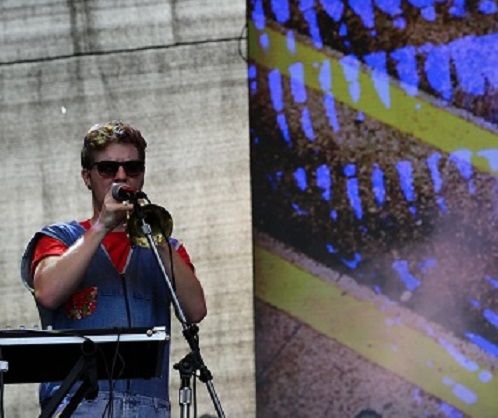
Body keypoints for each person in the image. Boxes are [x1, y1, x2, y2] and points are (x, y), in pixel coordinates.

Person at [21, 120, 207, 417]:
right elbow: (48, 293)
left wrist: (155, 237)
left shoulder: (167, 247)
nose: (122, 177)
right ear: (87, 177)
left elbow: (195, 310)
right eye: (108, 169)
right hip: (78, 406)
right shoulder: (59, 238)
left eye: (132, 168)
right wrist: (101, 227)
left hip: (148, 408)